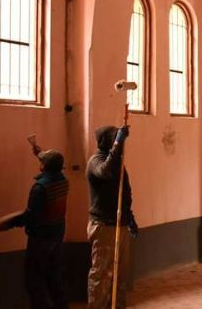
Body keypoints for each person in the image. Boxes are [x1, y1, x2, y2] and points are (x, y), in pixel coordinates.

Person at [6, 143, 69, 309]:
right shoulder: (63, 181)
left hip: (40, 239)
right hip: (57, 235)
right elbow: (52, 164)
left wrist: (10, 222)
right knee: (53, 277)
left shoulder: (40, 188)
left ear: (43, 166)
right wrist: (40, 153)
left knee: (34, 281)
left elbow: (31, 216)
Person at [86, 125, 138, 309]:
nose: (121, 143)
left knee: (120, 273)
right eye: (115, 138)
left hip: (119, 223)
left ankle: (116, 306)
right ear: (107, 141)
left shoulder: (118, 164)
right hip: (103, 225)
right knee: (101, 273)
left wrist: (129, 216)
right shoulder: (96, 161)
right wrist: (118, 143)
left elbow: (125, 192)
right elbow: (105, 171)